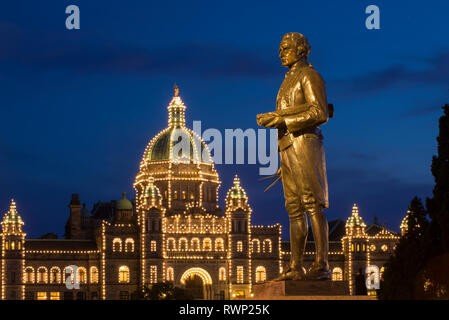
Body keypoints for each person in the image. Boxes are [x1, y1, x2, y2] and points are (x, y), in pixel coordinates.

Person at [257, 32, 330, 280]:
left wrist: (281, 118)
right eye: (280, 48)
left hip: (305, 144)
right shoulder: (288, 80)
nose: (281, 52)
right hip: (287, 147)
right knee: (294, 208)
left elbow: (320, 112)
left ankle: (322, 264)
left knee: (311, 203)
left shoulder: (310, 76)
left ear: (301, 50)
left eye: (286, 48)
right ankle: (295, 267)